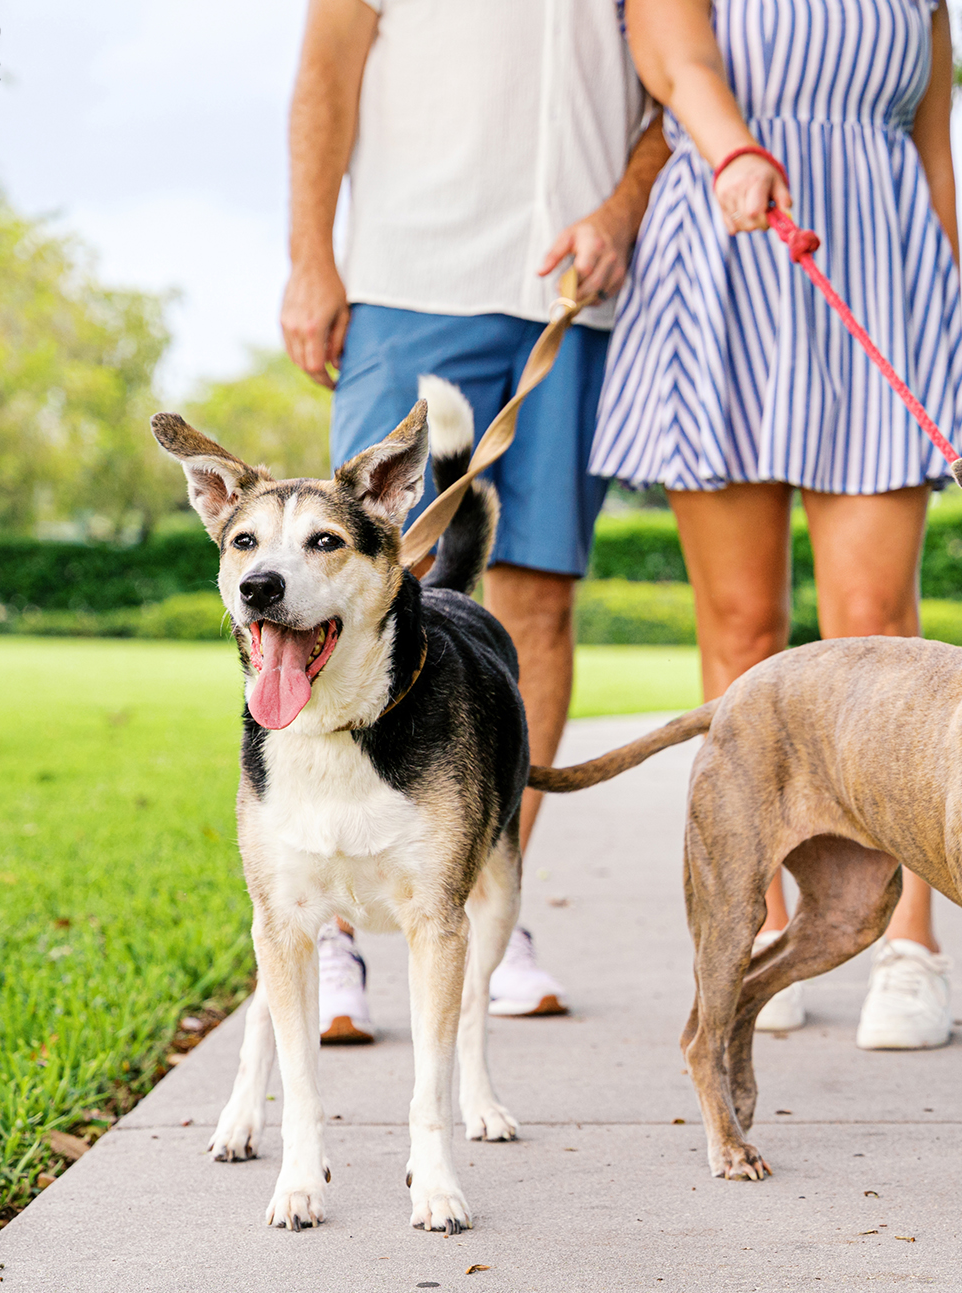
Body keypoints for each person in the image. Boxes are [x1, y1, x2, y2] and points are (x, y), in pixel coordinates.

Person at [279, 0, 672, 1041]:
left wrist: (624, 208)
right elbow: (325, 71)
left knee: (536, 599)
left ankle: (488, 900)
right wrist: (310, 255)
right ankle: (332, 932)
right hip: (411, 280)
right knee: (361, 591)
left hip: (570, 301)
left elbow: (665, 99)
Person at [594, 0, 962, 1049]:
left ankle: (910, 941)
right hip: (722, 255)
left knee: (878, 628)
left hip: (874, 264)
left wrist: (938, 300)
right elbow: (670, 56)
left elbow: (930, 145)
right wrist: (732, 151)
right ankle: (764, 930)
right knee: (740, 628)